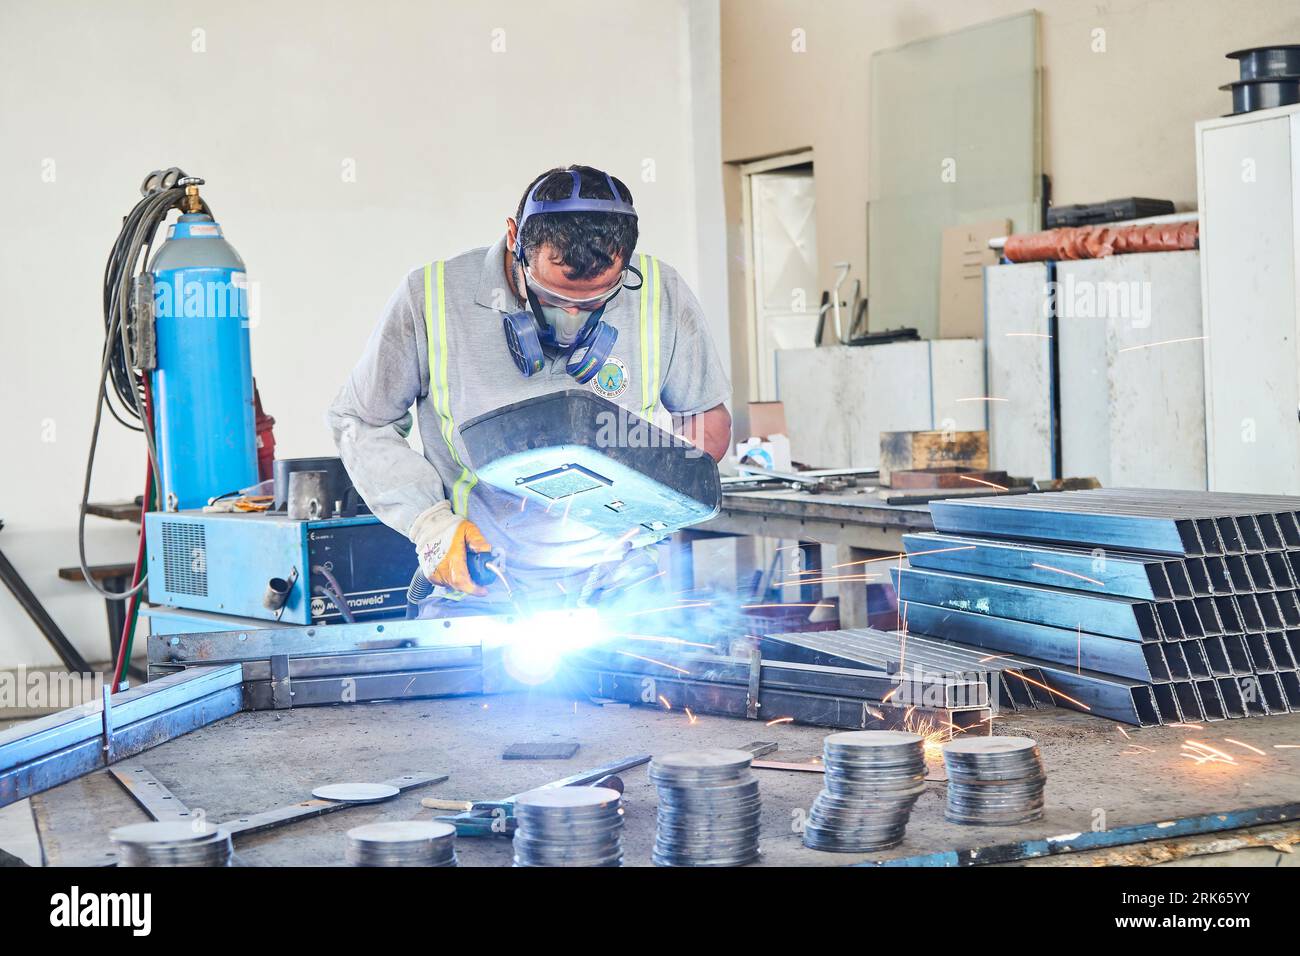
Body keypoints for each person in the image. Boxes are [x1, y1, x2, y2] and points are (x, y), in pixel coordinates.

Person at [328, 164, 731, 609]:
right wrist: (429, 523)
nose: (571, 319)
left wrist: (652, 506)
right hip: (481, 580)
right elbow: (361, 420)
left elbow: (705, 421)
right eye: (554, 297)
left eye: (595, 300)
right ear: (514, 238)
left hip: (618, 579)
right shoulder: (433, 296)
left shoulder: (660, 292)